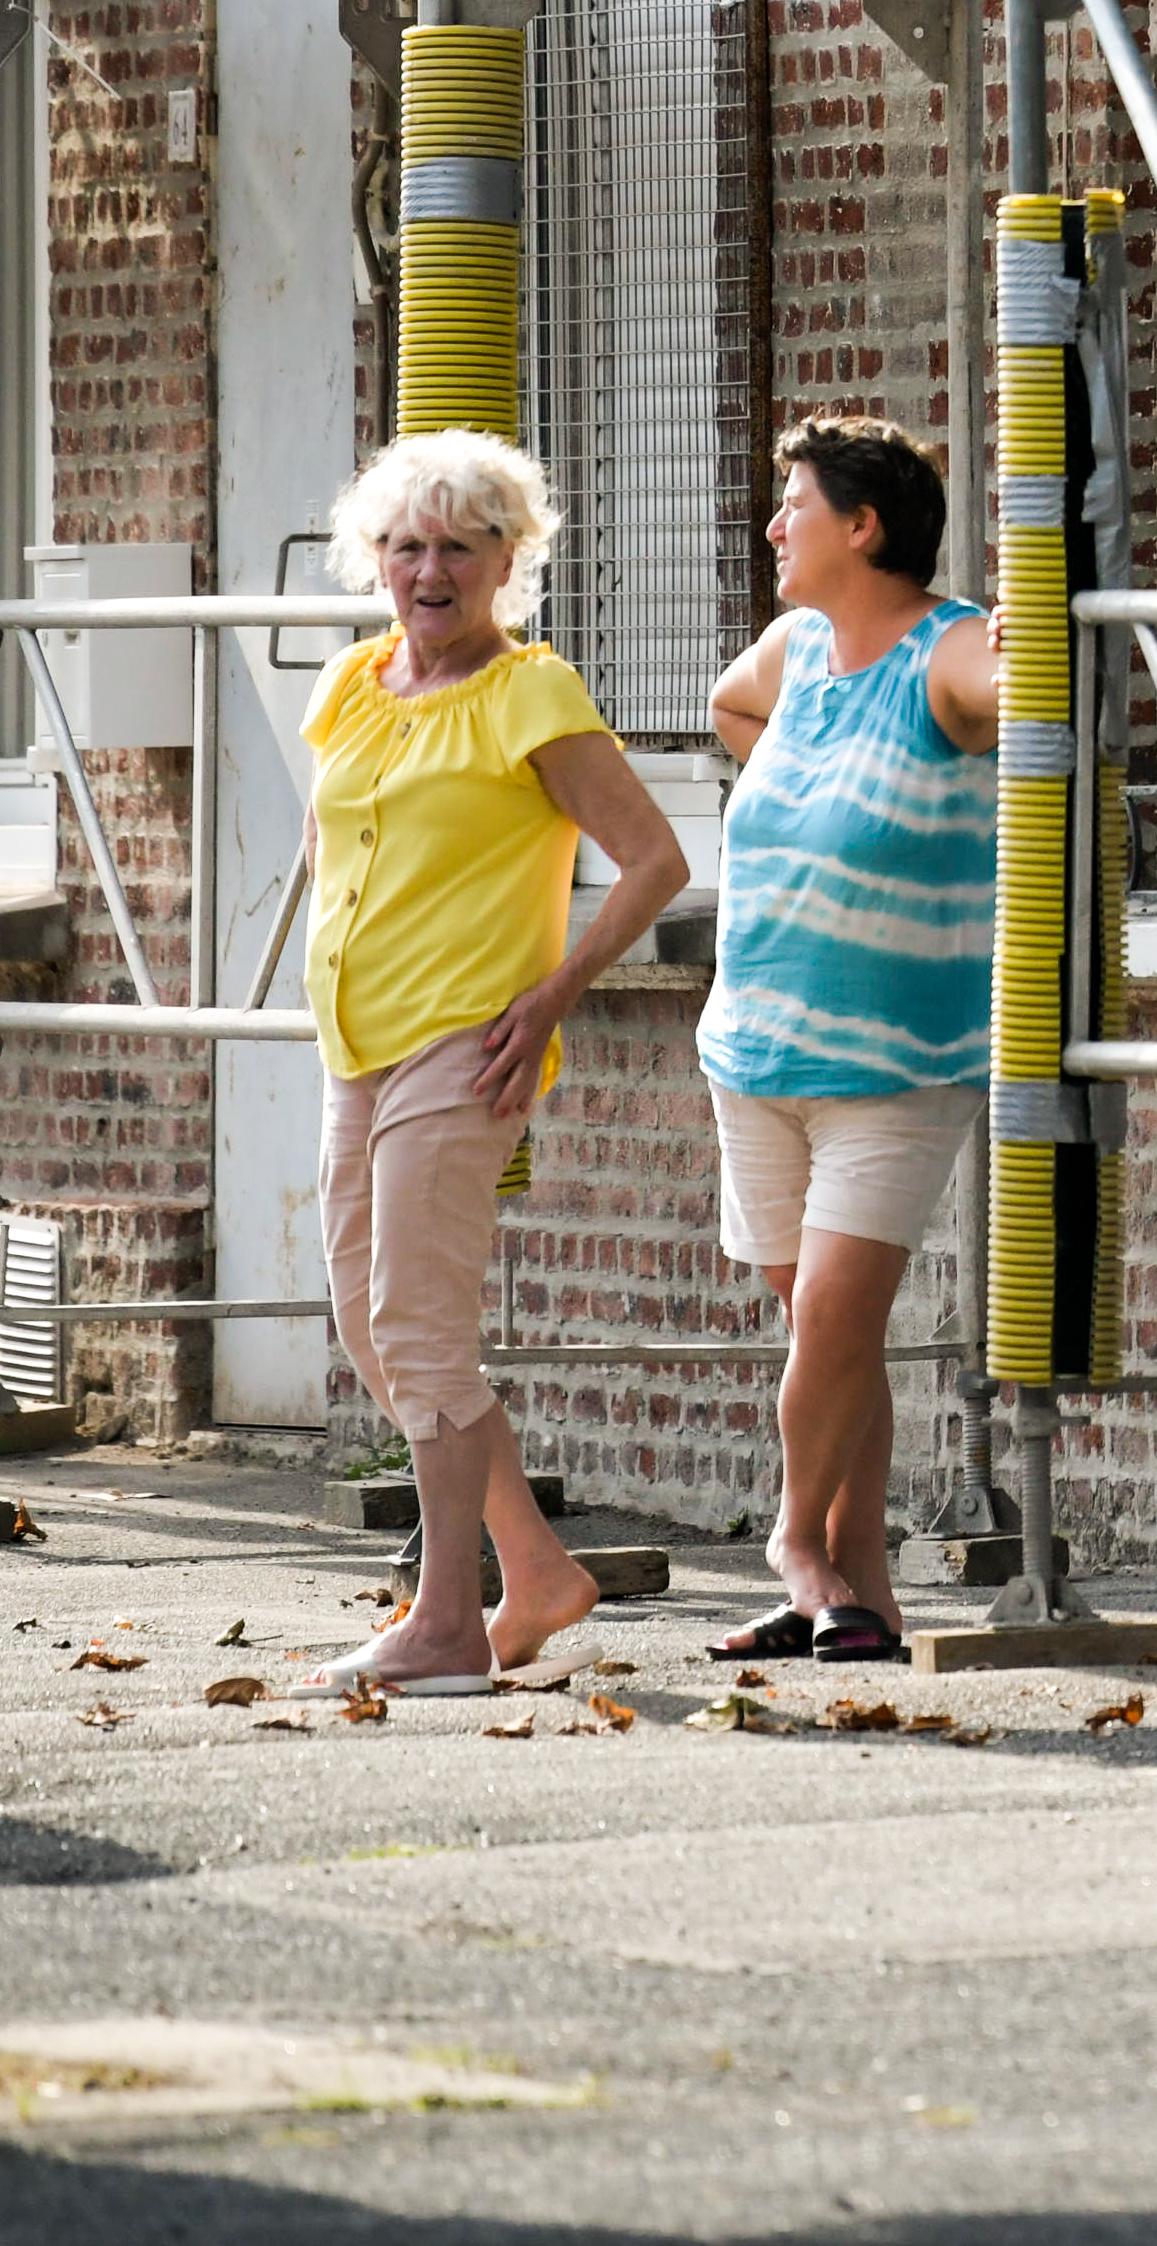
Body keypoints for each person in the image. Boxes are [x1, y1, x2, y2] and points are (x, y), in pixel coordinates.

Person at [299, 429, 697, 1695]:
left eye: (459, 548)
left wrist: (551, 996)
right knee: (374, 1326)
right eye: (406, 546)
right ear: (374, 562)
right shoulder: (353, 684)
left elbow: (655, 860)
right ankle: (535, 1570)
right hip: (354, 1041)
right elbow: (335, 841)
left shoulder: (533, 691)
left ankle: (446, 1621)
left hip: (465, 1044)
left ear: (506, 562)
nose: (430, 570)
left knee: (417, 1328)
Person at [690, 417, 1003, 1666]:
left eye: (795, 504)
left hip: (897, 1065)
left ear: (863, 529)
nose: (775, 526)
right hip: (752, 1051)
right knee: (834, 1335)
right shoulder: (790, 651)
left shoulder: (951, 651)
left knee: (829, 1323)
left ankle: (795, 1544)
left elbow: (1014, 688)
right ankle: (857, 1590)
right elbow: (727, 707)